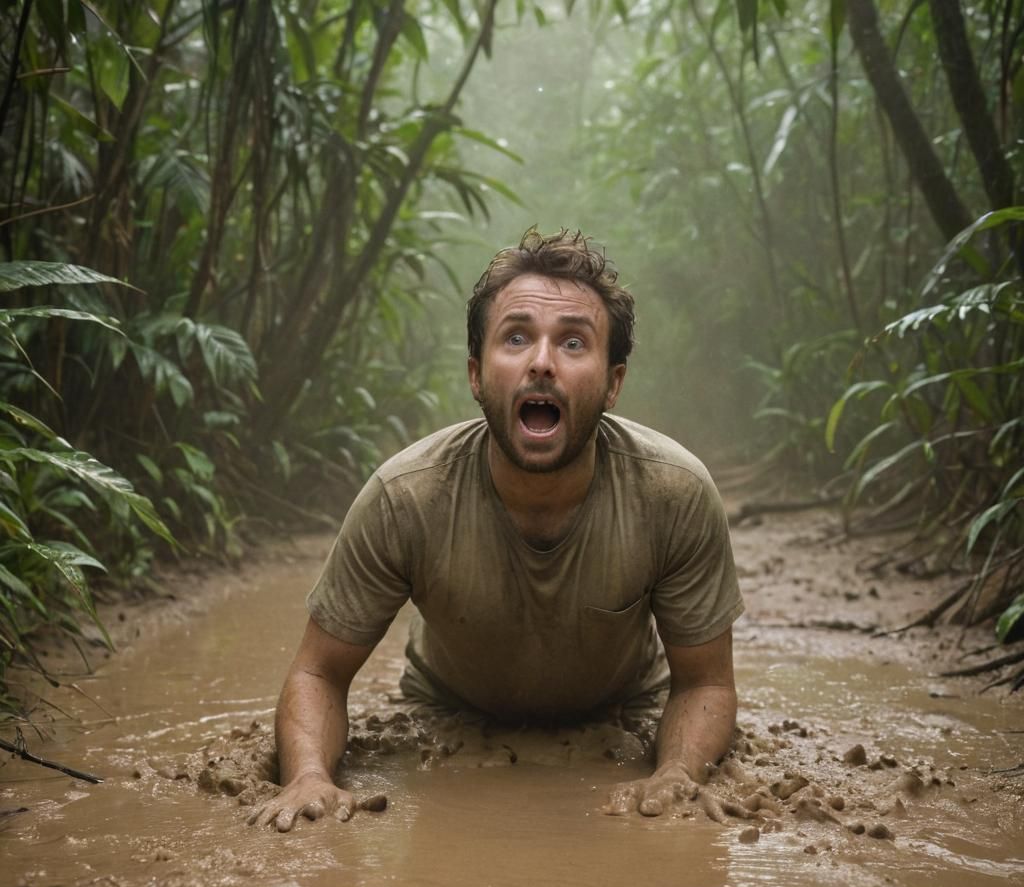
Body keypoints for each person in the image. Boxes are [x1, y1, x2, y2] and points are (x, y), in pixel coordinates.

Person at [249, 228, 745, 833]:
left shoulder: (675, 494)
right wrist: (308, 777)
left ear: (613, 383)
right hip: (448, 711)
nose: (541, 361)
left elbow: (706, 681)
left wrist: (679, 773)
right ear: (477, 375)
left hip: (625, 712)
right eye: (516, 338)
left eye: (572, 342)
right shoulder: (406, 498)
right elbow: (317, 672)